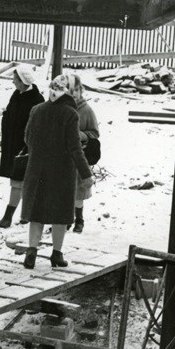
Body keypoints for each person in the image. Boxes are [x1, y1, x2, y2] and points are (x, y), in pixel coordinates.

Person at [20, 74, 93, 269]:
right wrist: (86, 174)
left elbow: (27, 138)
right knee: (60, 215)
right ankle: (56, 254)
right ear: (67, 93)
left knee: (37, 212)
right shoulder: (70, 113)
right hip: (61, 172)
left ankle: (31, 252)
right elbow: (75, 148)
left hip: (37, 170)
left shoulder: (36, 110)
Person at [0, 64, 45, 228]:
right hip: (12, 145)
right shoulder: (17, 94)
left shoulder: (37, 101)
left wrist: (28, 147)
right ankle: (26, 214)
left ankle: (8, 216)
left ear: (23, 81)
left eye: (15, 79)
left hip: (25, 148)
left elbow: (37, 129)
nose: (13, 82)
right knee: (23, 182)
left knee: (18, 182)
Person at [66, 73, 99, 233]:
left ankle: (79, 219)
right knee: (63, 189)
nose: (73, 94)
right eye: (69, 90)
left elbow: (95, 133)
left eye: (76, 90)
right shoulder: (61, 108)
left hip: (80, 156)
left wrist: (83, 135)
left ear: (81, 90)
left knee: (78, 190)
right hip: (62, 156)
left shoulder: (86, 110)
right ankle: (65, 219)